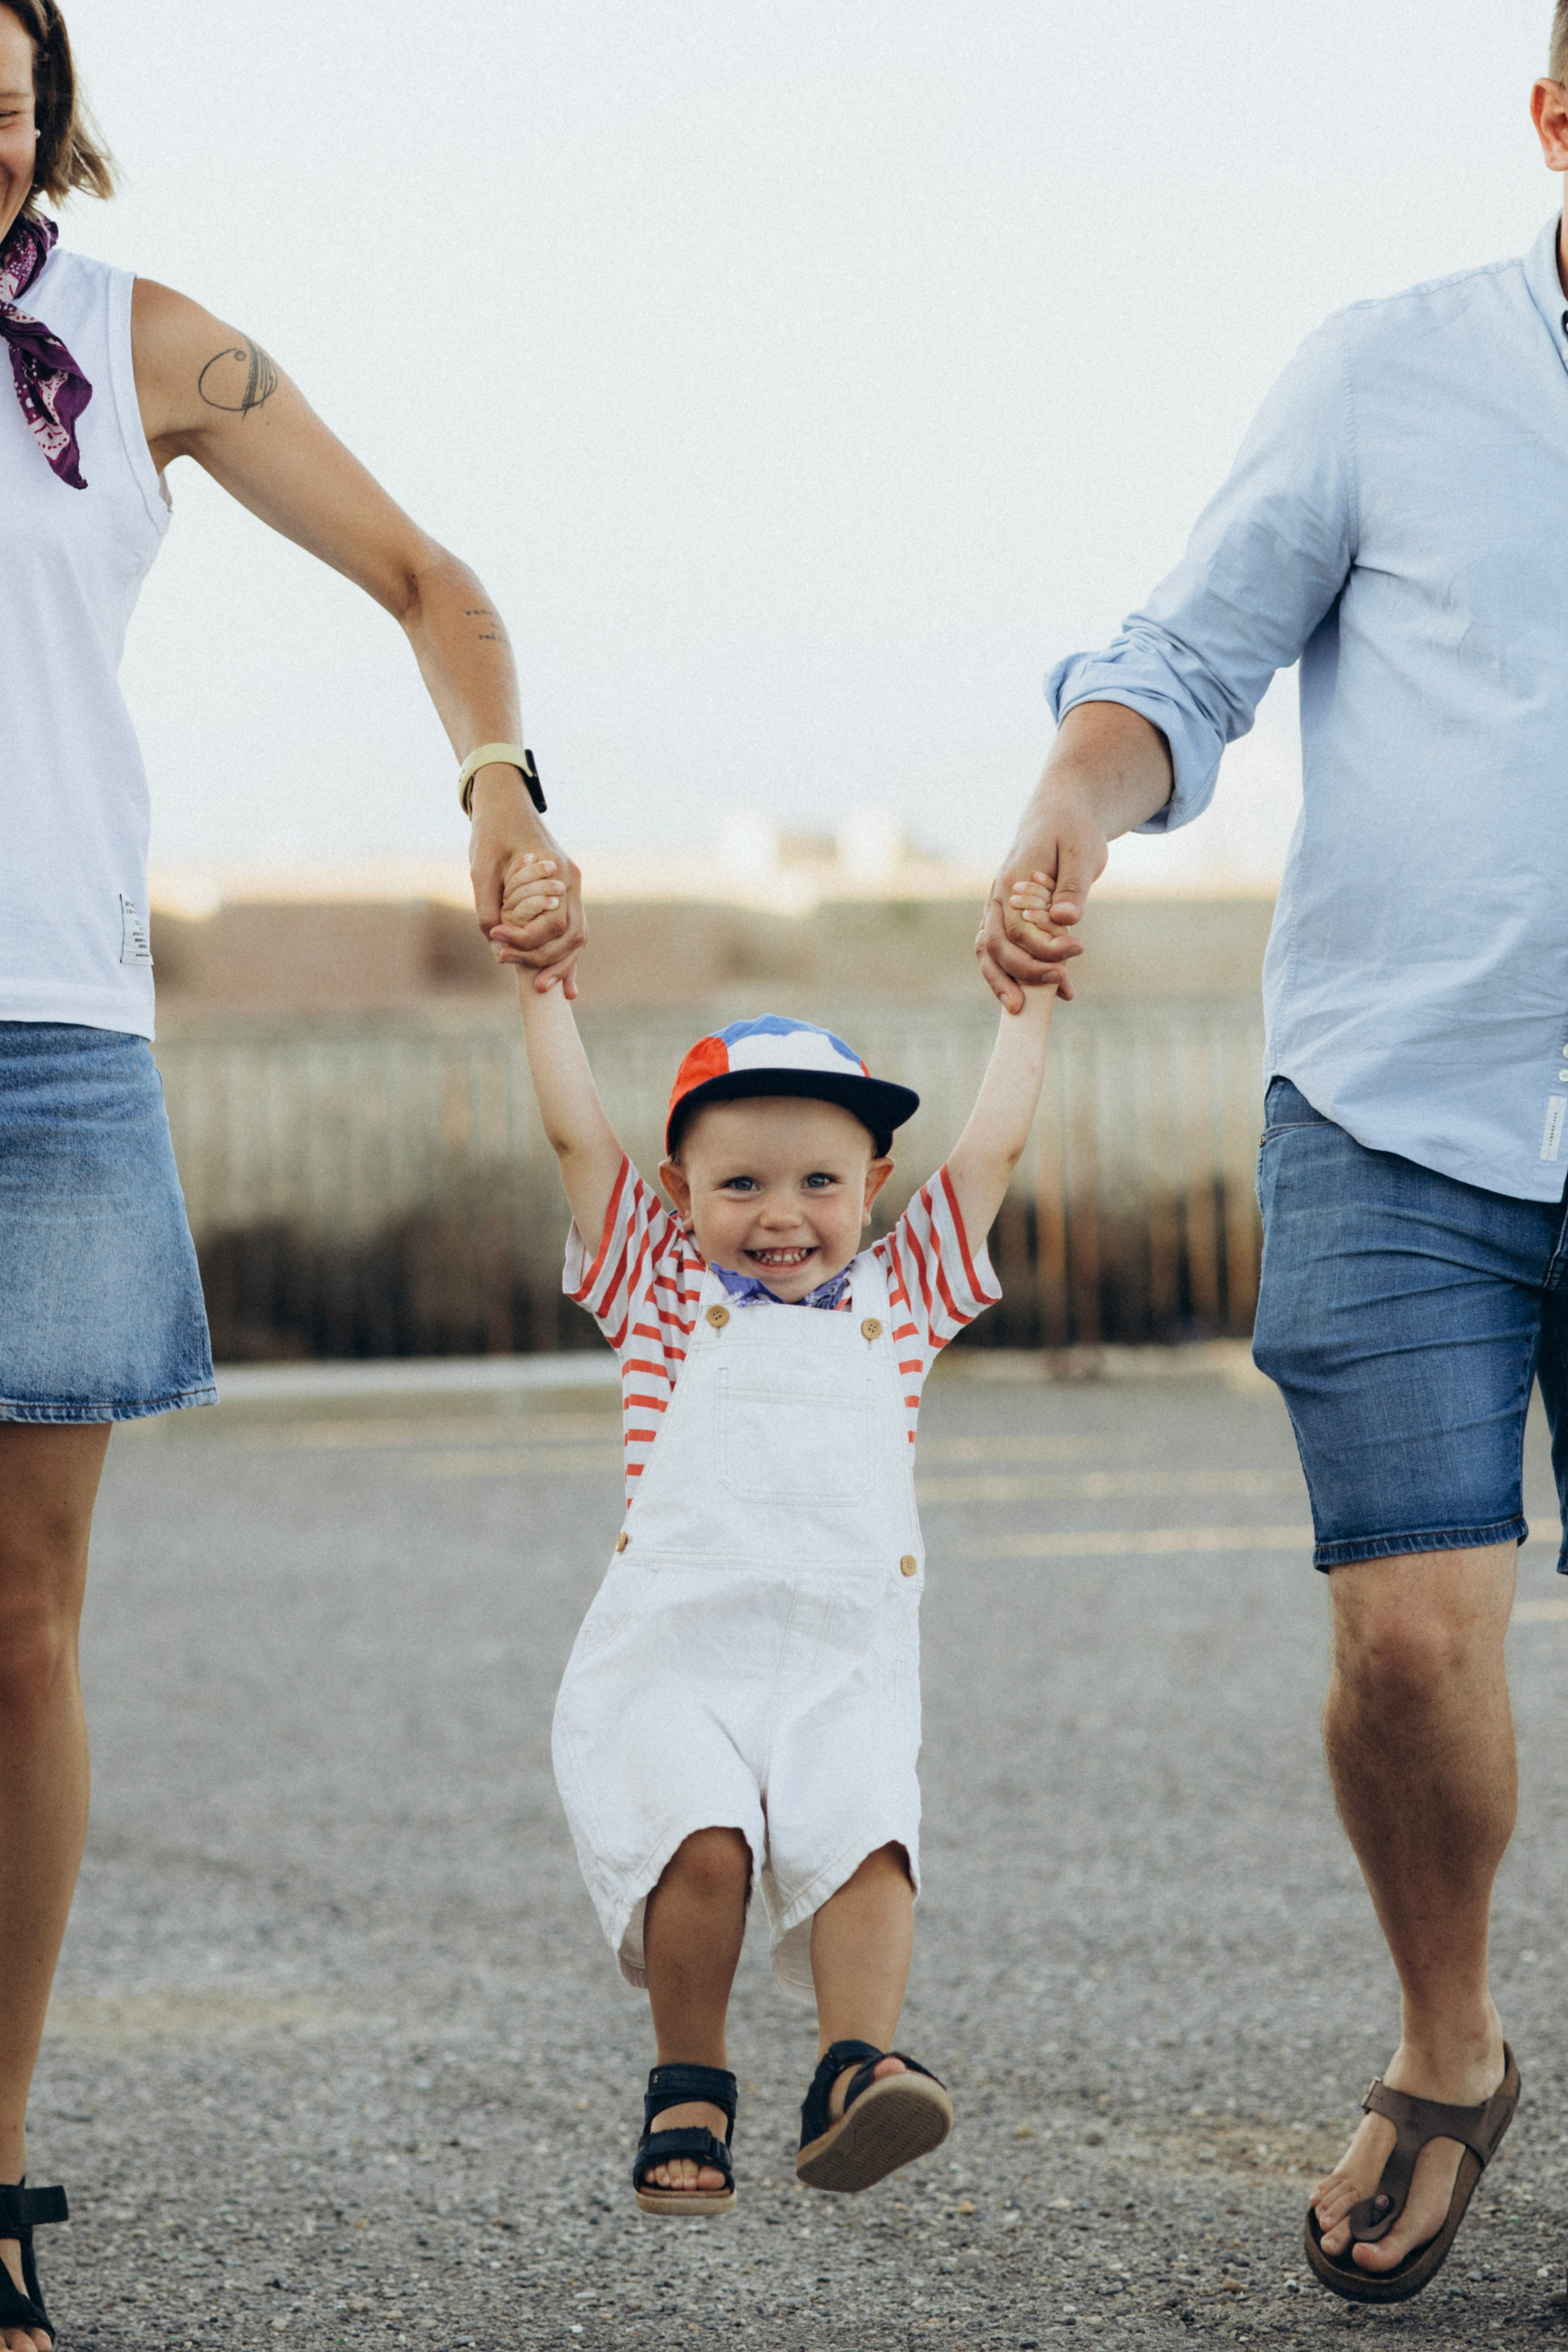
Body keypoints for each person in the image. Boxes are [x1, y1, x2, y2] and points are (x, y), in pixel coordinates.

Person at [971, 7, 1568, 2311]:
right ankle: (1449, 2053)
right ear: (1551, 121)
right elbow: (1180, 667)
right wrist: (1069, 812)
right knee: (1413, 1647)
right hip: (1399, 1109)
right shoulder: (1384, 375)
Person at [0, 7, 584, 2345]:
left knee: (22, 1628)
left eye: (13, 74)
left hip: (53, 1042)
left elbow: (431, 579)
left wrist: (503, 792)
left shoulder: (144, 343)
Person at [507, 851, 1057, 2212]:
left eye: (817, 1182)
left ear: (871, 1181)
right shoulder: (651, 1293)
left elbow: (988, 1151)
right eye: (738, 1184)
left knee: (866, 1834)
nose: (779, 1216)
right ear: (677, 1190)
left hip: (841, 1653)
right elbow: (578, 1138)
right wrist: (541, 989)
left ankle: (854, 2068)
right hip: (679, 1653)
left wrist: (1030, 1004)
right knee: (704, 1847)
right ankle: (687, 2082)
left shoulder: (903, 1298)